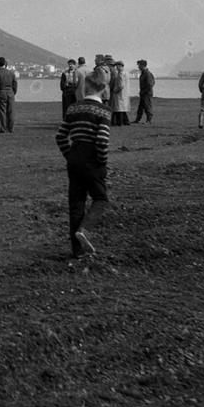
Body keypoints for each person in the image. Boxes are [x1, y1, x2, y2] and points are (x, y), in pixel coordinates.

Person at [55, 68, 112, 259]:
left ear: (85, 87)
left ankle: (77, 251)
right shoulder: (103, 111)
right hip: (92, 159)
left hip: (74, 158)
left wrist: (70, 155)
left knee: (76, 204)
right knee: (101, 199)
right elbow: (102, 140)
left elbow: (60, 136)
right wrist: (102, 162)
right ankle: (84, 230)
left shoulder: (73, 108)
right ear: (103, 89)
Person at [0, 56, 18, 132]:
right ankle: (11, 128)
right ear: (5, 63)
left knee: (2, 112)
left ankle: (3, 128)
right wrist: (13, 92)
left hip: (1, 93)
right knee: (11, 111)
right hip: (10, 93)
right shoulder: (11, 73)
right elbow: (15, 84)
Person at [134, 59, 155, 123]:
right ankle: (137, 120)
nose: (138, 67)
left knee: (147, 107)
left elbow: (150, 84)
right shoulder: (143, 73)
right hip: (143, 93)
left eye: (139, 65)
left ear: (142, 65)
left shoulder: (147, 74)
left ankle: (149, 120)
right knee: (140, 107)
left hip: (147, 94)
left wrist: (144, 91)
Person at [110, 60, 130, 126]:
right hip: (124, 93)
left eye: (117, 66)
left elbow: (121, 85)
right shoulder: (126, 73)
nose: (116, 68)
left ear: (120, 66)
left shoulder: (120, 74)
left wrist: (115, 90)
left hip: (119, 94)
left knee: (119, 109)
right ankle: (126, 121)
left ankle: (119, 122)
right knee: (122, 108)